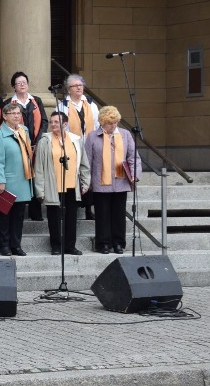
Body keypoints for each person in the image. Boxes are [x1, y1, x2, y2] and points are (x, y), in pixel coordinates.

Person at [84, 106, 142, 254]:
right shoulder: (92, 136)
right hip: (100, 182)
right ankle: (103, 243)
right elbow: (87, 161)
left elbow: (133, 157)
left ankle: (118, 243)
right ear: (102, 122)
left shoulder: (125, 134)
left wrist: (135, 174)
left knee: (119, 214)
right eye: (110, 123)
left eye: (116, 122)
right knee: (102, 214)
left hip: (121, 181)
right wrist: (86, 181)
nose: (113, 125)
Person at [33, 112, 90, 255]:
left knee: (71, 217)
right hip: (53, 185)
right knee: (54, 218)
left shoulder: (75, 140)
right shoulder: (45, 141)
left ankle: (70, 246)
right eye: (51, 122)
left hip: (72, 185)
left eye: (56, 122)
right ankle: (56, 246)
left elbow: (84, 164)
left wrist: (85, 183)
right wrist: (40, 189)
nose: (53, 124)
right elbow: (39, 168)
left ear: (65, 124)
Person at [0, 103, 34, 256]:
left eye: (18, 113)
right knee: (4, 216)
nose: (16, 116)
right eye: (12, 113)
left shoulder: (24, 130)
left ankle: (16, 244)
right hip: (7, 181)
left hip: (22, 179)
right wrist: (0, 180)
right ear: (5, 116)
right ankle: (4, 245)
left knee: (19, 216)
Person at [57, 73, 100, 220]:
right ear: (68, 89)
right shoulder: (63, 105)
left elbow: (97, 124)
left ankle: (89, 208)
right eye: (75, 86)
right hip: (72, 145)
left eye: (81, 85)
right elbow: (62, 127)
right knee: (75, 175)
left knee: (89, 175)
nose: (79, 88)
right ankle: (73, 206)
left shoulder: (90, 104)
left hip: (90, 144)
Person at [8, 72, 48, 221]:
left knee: (35, 176)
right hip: (18, 146)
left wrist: (37, 143)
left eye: (24, 82)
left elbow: (44, 121)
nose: (22, 84)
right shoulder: (8, 103)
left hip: (36, 146)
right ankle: (16, 208)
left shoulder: (36, 101)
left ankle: (35, 211)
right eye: (18, 83)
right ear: (14, 87)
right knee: (20, 175)